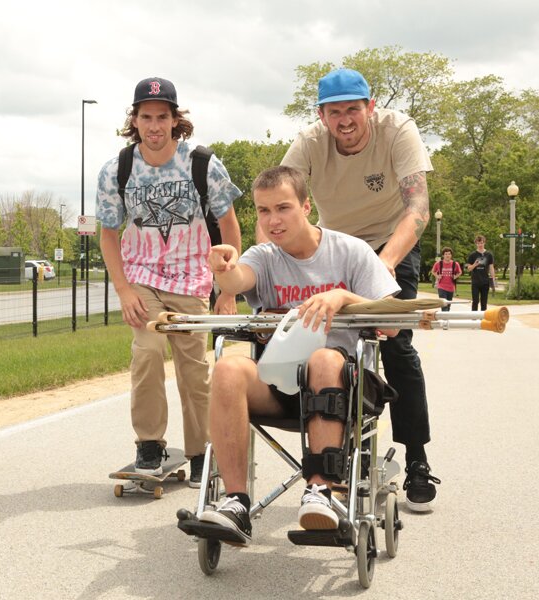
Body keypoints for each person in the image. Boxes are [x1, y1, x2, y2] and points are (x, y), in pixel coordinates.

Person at [197, 166, 400, 542]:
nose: (273, 220)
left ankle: (321, 491)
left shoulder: (351, 251)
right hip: (282, 382)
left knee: (322, 358)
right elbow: (238, 279)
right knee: (227, 368)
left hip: (344, 386)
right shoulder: (265, 256)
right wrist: (223, 269)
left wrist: (343, 298)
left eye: (283, 208)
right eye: (263, 211)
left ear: (306, 206)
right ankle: (236, 502)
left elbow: (392, 325)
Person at [280, 68, 441, 511]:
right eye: (336, 112)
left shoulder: (397, 130)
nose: (346, 120)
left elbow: (419, 207)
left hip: (392, 243)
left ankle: (417, 459)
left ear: (370, 107)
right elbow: (280, 198)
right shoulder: (310, 142)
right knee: (330, 346)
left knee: (396, 345)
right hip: (335, 247)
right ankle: (341, 449)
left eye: (354, 108)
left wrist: (382, 266)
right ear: (322, 115)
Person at [96, 77, 242, 486]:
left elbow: (229, 226)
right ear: (135, 120)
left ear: (176, 120)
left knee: (194, 370)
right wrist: (124, 290)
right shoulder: (117, 170)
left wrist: (227, 289)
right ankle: (149, 442)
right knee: (146, 353)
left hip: (191, 279)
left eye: (163, 117)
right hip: (141, 277)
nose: (155, 125)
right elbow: (109, 234)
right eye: (147, 117)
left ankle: (200, 450)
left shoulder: (202, 164)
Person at [465, 235, 496, 311]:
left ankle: (483, 319)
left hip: (485, 281)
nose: (480, 245)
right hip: (475, 282)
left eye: (482, 243)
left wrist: (493, 279)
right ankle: (474, 318)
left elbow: (491, 268)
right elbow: (468, 269)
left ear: (484, 243)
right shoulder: (472, 255)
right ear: (476, 244)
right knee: (475, 301)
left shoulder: (489, 255)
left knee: (484, 302)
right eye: (478, 243)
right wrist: (474, 265)